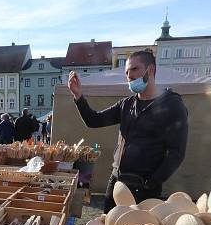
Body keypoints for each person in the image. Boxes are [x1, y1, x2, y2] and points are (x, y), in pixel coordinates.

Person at [68, 49, 188, 212]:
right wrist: (78, 96)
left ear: (150, 70)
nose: (129, 76)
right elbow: (93, 120)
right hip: (117, 181)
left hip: (144, 188)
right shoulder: (127, 104)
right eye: (126, 72)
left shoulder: (172, 105)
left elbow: (176, 152)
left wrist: (152, 182)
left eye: (134, 69)